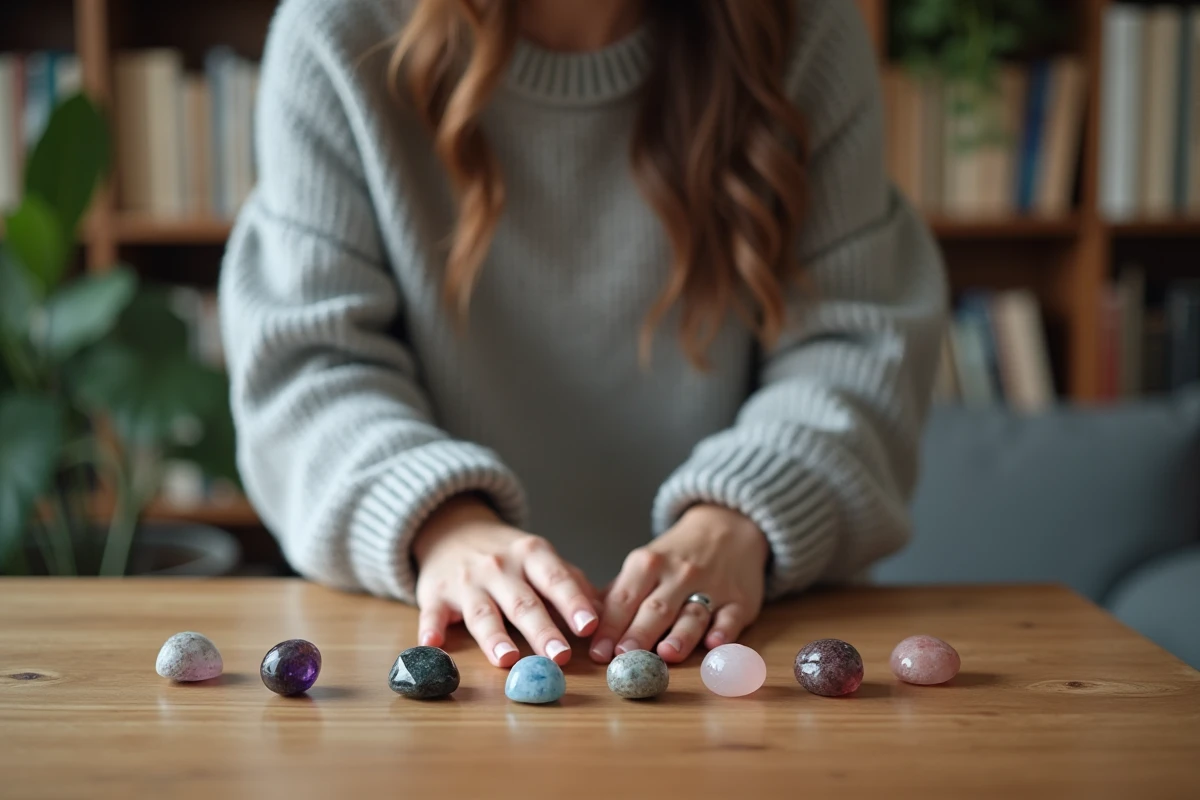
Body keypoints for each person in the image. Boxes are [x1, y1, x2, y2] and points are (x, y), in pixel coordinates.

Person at [220, 0, 947, 671]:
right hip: (450, 636)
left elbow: (857, 343)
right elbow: (309, 366)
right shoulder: (339, 30)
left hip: (746, 631)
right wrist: (440, 522)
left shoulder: (807, 26)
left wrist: (744, 514)